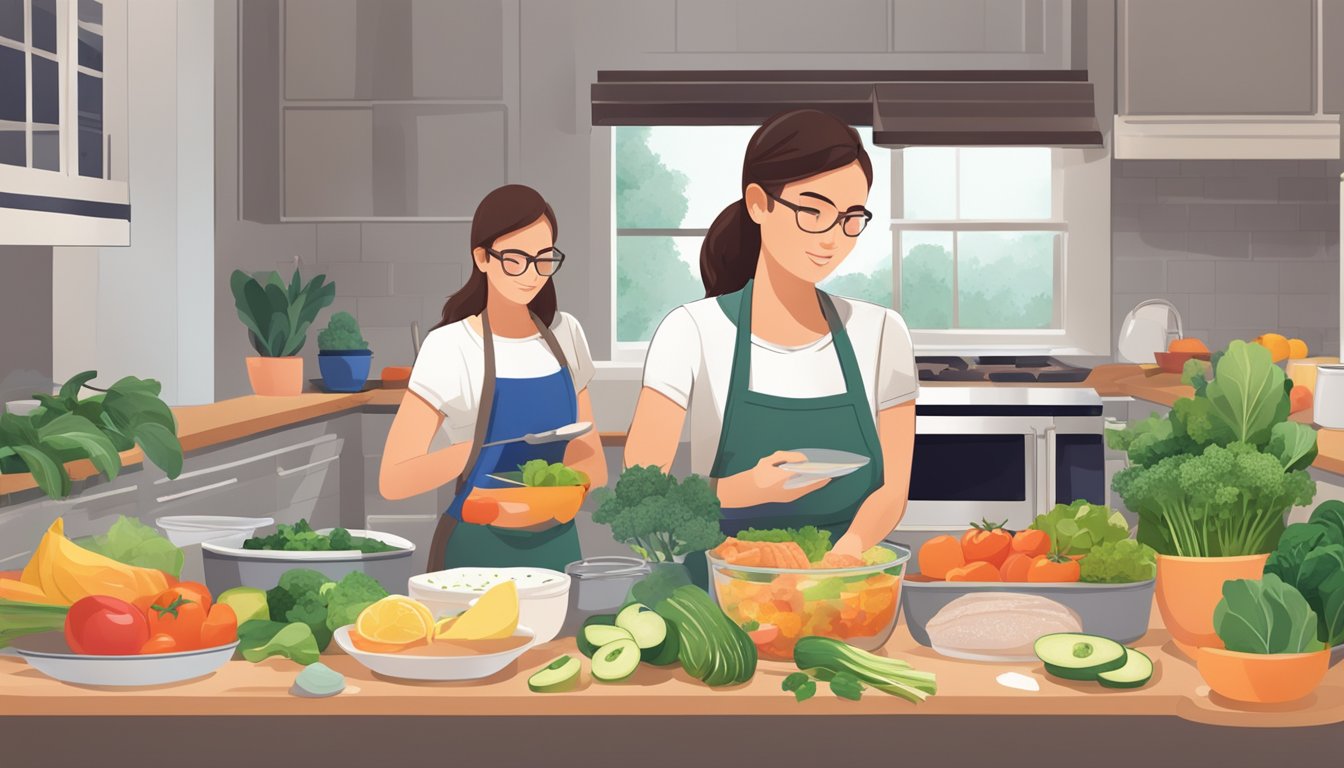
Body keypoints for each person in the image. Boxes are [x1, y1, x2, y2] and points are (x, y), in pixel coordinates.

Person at [624, 109, 917, 570]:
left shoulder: (881, 333)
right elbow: (642, 493)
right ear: (759, 202)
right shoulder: (690, 332)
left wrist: (844, 556)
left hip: (844, 588)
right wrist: (743, 488)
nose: (832, 239)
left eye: (850, 218)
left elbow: (893, 489)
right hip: (722, 593)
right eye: (812, 211)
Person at [380, 184, 606, 571]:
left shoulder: (566, 335)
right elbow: (394, 480)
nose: (532, 275)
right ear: (482, 258)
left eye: (544, 259)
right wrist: (475, 451)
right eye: (515, 259)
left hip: (558, 549)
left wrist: (560, 496)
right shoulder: (451, 346)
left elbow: (592, 461)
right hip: (476, 550)